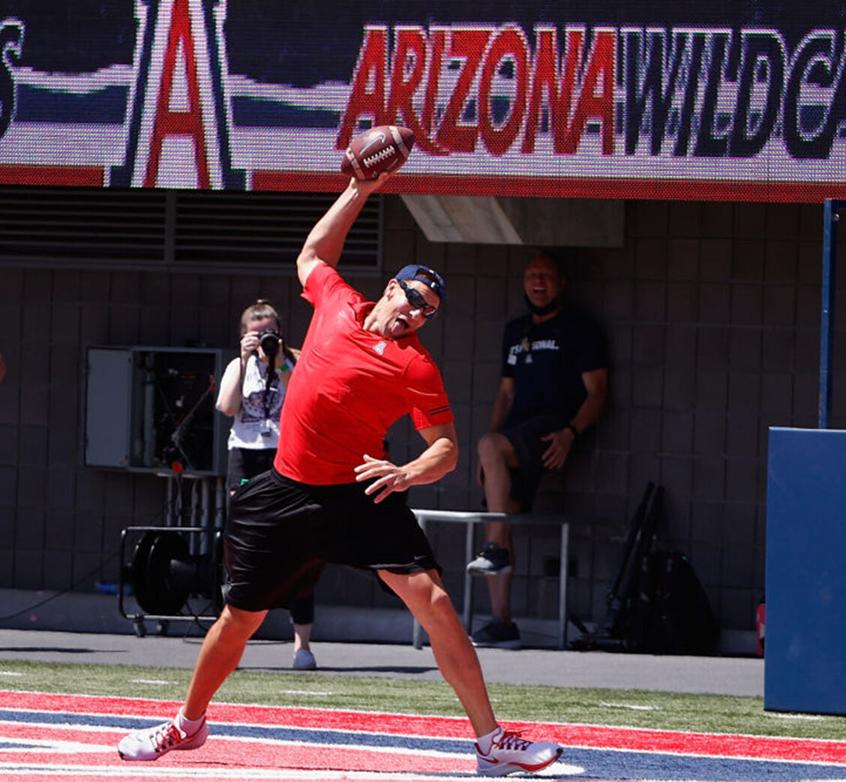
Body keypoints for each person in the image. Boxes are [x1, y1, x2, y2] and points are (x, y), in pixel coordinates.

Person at [117, 166, 564, 776]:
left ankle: (490, 742)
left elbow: (448, 450)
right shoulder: (337, 304)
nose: (418, 313)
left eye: (429, 311)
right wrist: (360, 189)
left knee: (434, 600)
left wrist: (406, 472)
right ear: (389, 290)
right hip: (283, 491)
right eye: (414, 298)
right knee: (239, 618)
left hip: (359, 495)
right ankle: (186, 725)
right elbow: (312, 254)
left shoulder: (417, 367)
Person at [467, 252, 608, 649]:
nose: (538, 282)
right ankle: (502, 621)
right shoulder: (516, 330)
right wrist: (487, 451)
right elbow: (505, 393)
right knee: (504, 513)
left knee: (497, 524)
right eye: (531, 275)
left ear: (562, 282)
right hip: (514, 437)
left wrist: (570, 433)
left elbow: (598, 393)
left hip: (551, 434)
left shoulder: (580, 330)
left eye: (546, 275)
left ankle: (493, 548)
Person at [215, 299, 321, 671]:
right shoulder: (236, 365)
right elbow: (228, 407)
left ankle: (302, 645)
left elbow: (308, 401)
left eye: (270, 333)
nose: (264, 340)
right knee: (242, 548)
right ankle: (233, 643)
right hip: (246, 453)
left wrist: (278, 361)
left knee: (299, 546)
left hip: (287, 454)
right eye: (256, 334)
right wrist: (245, 363)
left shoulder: (294, 359)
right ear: (244, 335)